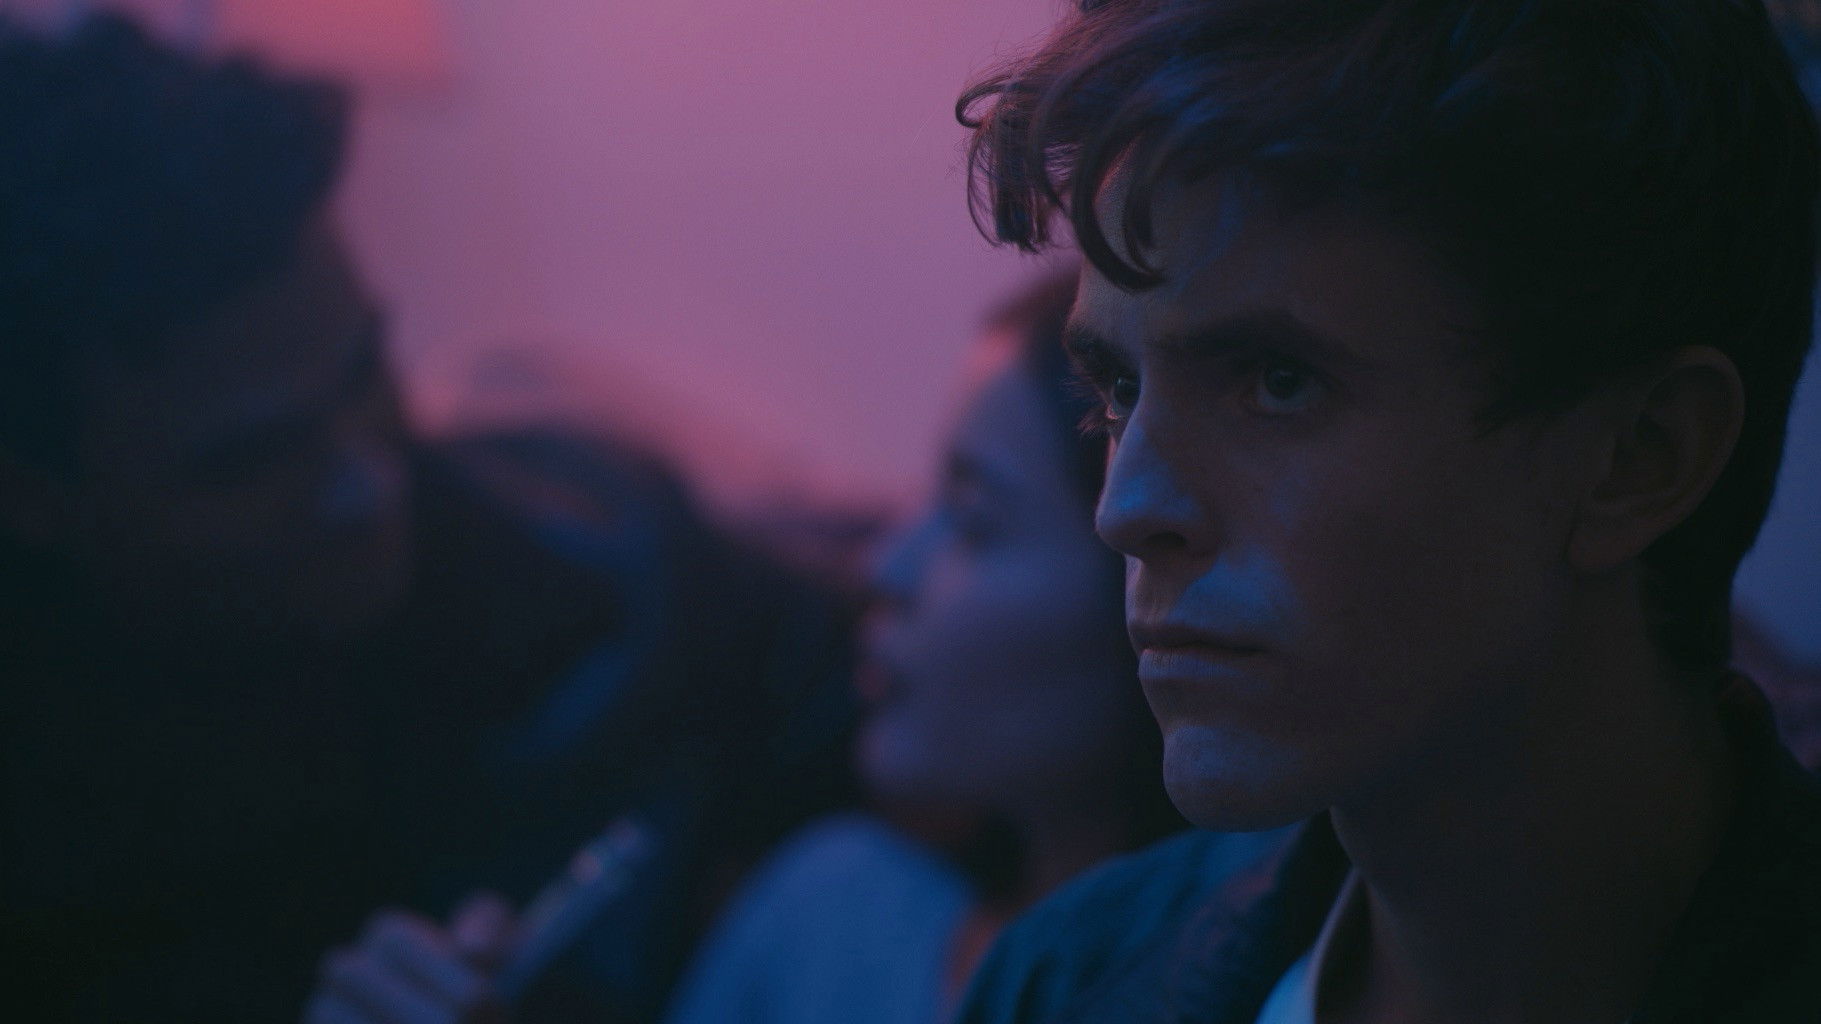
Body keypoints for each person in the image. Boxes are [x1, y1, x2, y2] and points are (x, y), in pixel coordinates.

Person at [948, 1, 1821, 1022]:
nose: (1125, 509)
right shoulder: (1062, 983)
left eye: (1276, 381)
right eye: (1117, 392)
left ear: (1640, 457)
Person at [0, 15, 857, 1023]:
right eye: (251, 459)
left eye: (366, 372)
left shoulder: (608, 567)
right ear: (30, 494)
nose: (368, 482)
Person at [299, 274, 1284, 1024]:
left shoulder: (1292, 974)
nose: (887, 564)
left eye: (973, 518)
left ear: (1146, 567)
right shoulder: (830, 911)